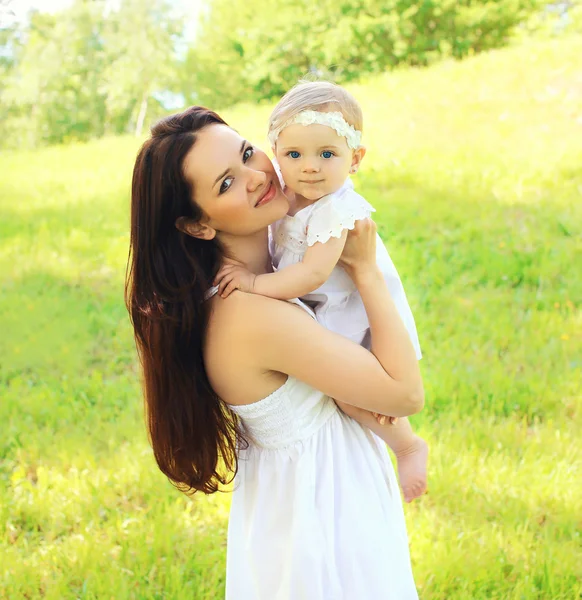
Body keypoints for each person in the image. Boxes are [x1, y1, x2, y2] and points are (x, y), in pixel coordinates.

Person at [126, 105, 424, 599]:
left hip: (316, 501)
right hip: (320, 521)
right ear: (197, 226)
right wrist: (366, 271)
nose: (255, 177)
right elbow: (405, 393)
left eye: (247, 153)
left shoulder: (279, 259)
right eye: (225, 184)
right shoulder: (248, 313)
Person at [214, 81, 428, 502]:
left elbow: (312, 274)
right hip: (321, 309)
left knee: (352, 397)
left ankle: (406, 444)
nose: (309, 167)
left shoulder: (337, 209)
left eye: (327, 154)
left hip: (349, 313)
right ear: (276, 154)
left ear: (355, 160)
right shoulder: (290, 195)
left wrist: (255, 283)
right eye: (294, 155)